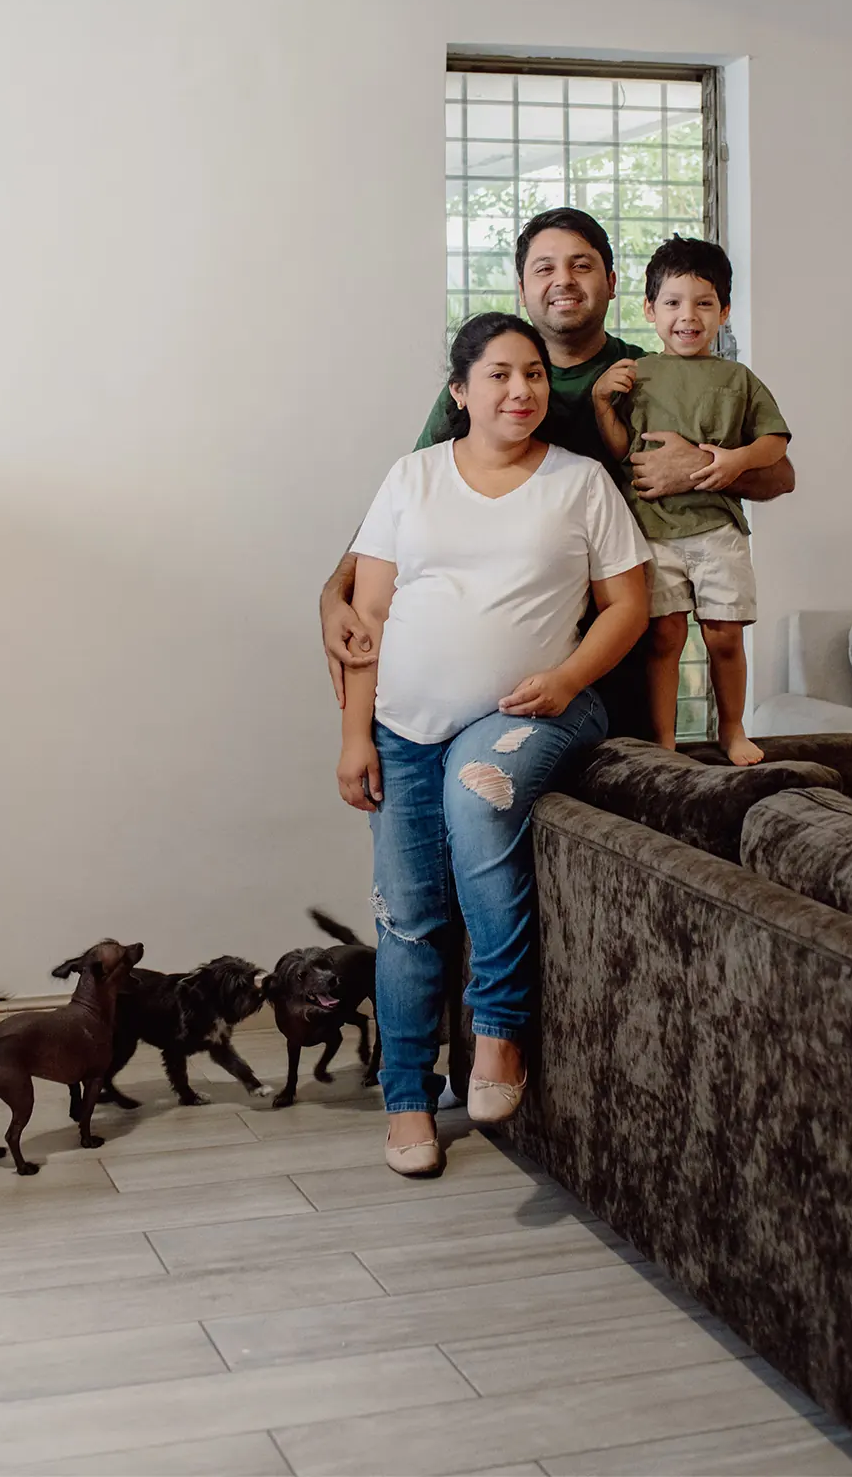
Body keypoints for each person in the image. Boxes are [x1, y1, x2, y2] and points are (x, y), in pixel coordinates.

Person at [336, 312, 649, 1177]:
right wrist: (356, 734)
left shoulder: (582, 483)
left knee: (478, 798)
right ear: (461, 391)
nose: (521, 390)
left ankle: (499, 1031)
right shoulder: (412, 478)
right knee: (407, 917)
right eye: (501, 375)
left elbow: (629, 605)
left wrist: (570, 678)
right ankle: (407, 1100)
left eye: (535, 374)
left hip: (535, 711)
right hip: (402, 728)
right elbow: (367, 617)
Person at [320, 208, 796, 718]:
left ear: (612, 283)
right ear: (522, 289)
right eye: (544, 268)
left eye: (581, 265)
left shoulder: (651, 374)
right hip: (504, 663)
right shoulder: (484, 387)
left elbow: (780, 475)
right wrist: (335, 592)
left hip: (623, 654)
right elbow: (405, 501)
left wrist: (698, 466)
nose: (563, 280)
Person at [592, 236, 789, 766]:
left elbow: (775, 442)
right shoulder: (636, 373)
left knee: (725, 636)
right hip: (653, 529)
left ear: (724, 311)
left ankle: (733, 729)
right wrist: (602, 403)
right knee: (665, 637)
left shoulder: (738, 378)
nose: (688, 316)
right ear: (649, 310)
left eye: (704, 303)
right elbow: (623, 452)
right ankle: (664, 739)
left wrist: (736, 461)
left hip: (719, 530)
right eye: (673, 303)